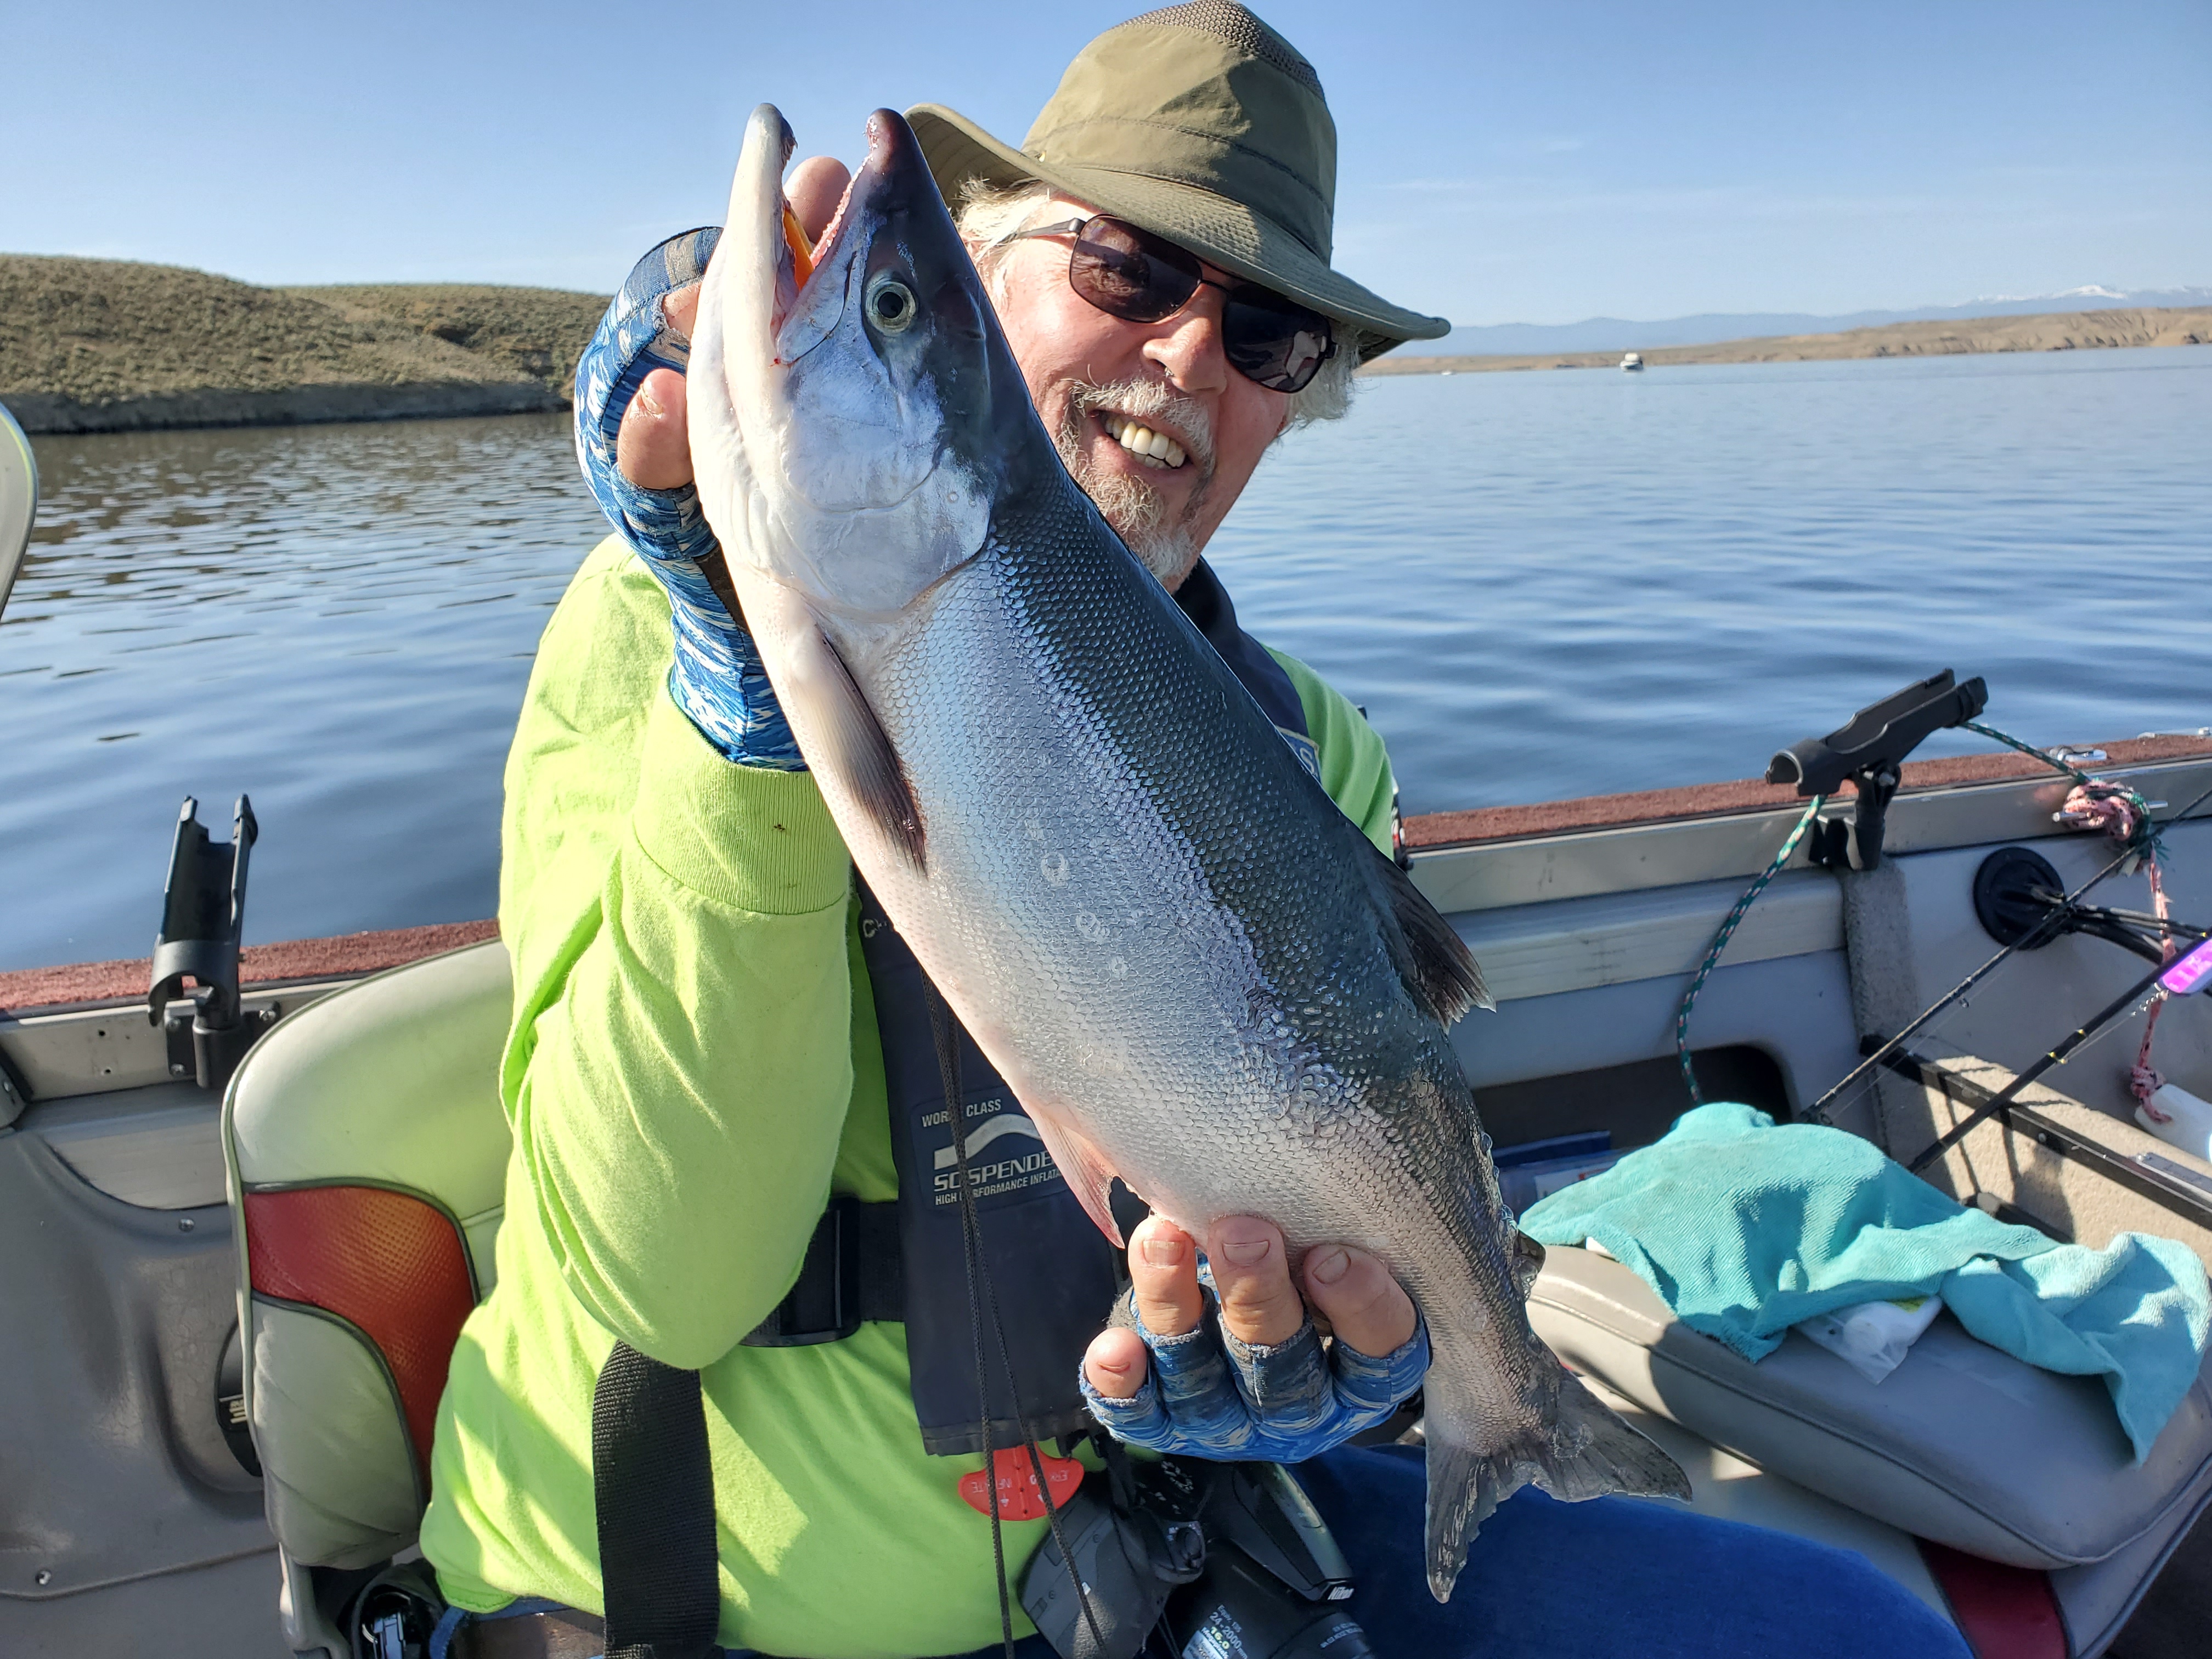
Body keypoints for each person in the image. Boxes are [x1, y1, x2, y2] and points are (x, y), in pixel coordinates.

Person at [420, 7, 1971, 1657]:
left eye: (1274, 333)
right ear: (996, 274)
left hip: (1153, 1565)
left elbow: (1326, 1146)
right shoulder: (659, 637)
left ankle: (1496, 1428)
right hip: (673, 1608)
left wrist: (1323, 1376)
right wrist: (747, 698)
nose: (1185, 357)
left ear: (1303, 398)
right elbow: (666, 1285)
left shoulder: (1309, 746)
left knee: (1863, 1634)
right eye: (1130, 275)